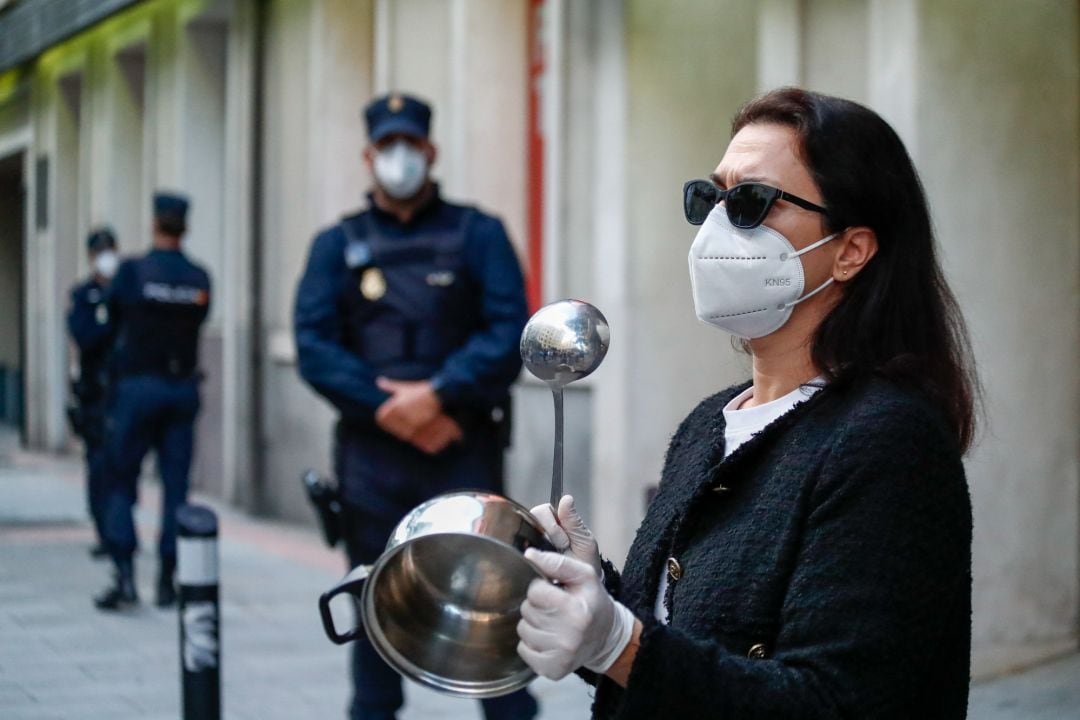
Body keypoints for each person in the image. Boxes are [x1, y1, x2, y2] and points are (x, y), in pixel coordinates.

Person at [515, 87, 978, 719]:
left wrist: (619, 646)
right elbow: (687, 653)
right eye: (710, 198)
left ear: (850, 251)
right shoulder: (711, 423)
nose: (716, 227)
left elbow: (837, 703)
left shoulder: (888, 440)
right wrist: (597, 593)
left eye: (752, 202)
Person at [294, 92, 536, 720]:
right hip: (373, 461)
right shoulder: (335, 244)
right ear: (368, 155)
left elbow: (509, 329)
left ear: (430, 152)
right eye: (387, 146)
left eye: (411, 145)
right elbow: (314, 345)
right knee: (375, 607)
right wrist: (387, 410)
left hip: (461, 448)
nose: (399, 158)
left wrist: (437, 397)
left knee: (494, 608)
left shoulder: (478, 233)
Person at [95, 192, 211, 611]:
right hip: (181, 390)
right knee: (176, 490)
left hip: (137, 390)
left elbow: (109, 320)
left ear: (154, 224)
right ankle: (167, 581)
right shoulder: (199, 278)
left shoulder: (132, 272)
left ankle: (124, 576)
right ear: (185, 226)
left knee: (120, 478)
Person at [66, 227, 120, 558]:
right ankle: (104, 531)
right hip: (94, 395)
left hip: (121, 393)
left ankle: (120, 531)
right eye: (100, 251)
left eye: (109, 249)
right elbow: (85, 336)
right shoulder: (83, 295)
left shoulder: (125, 291)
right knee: (98, 467)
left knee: (121, 467)